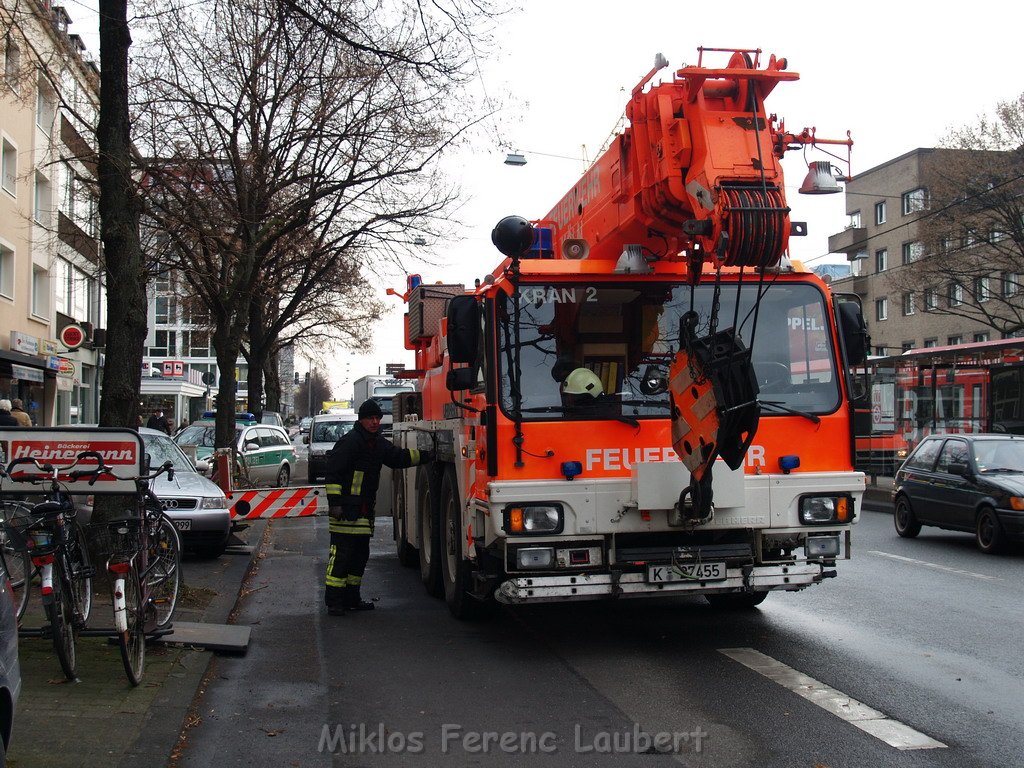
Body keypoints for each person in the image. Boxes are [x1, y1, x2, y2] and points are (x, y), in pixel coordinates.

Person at [323, 398, 433, 615]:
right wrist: (335, 504)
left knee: (359, 556)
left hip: (363, 512)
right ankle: (334, 602)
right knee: (341, 557)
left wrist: (427, 456)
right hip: (345, 513)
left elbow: (398, 458)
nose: (375, 422)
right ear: (361, 420)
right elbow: (333, 473)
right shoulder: (350, 442)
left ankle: (352, 599)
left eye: (377, 418)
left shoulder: (377, 443)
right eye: (370, 418)